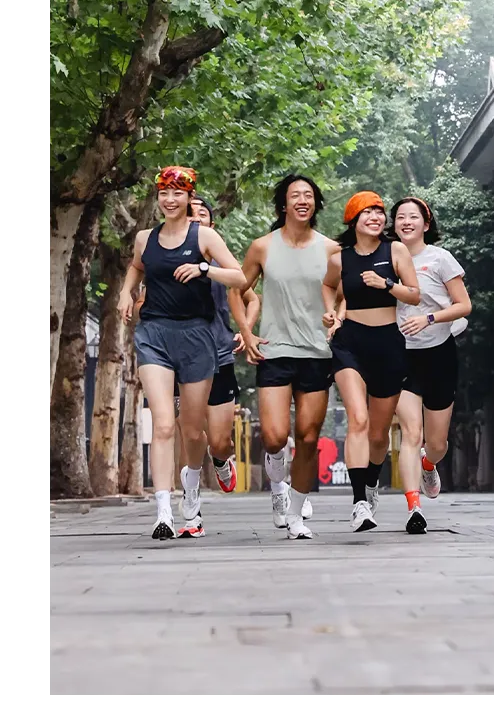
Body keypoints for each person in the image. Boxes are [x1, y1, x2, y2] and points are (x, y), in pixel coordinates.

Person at [117, 167, 246, 540]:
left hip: (197, 336)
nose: (170, 199)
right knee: (163, 424)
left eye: (177, 193)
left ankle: (191, 488)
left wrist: (205, 268)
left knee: (192, 430)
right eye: (164, 193)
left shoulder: (204, 235)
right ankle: (163, 513)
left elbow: (239, 276)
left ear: (189, 197)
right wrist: (126, 292)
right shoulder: (145, 238)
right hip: (154, 334)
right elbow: (136, 266)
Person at [240, 174, 338, 540]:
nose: (302, 200)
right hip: (275, 350)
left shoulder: (331, 249)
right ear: (284, 204)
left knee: (309, 438)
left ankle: (296, 515)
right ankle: (277, 473)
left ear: (315, 203)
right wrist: (247, 332)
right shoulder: (262, 247)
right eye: (295, 195)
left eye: (308, 195)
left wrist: (337, 316)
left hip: (317, 351)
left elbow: (343, 292)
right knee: (274, 436)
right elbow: (238, 290)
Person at [322, 191, 420, 532]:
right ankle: (359, 503)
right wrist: (331, 314)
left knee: (378, 435)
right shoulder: (339, 258)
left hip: (388, 343)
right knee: (358, 419)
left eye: (379, 212)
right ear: (353, 220)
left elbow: (414, 294)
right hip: (350, 342)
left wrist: (386, 283)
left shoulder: (395, 251)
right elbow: (327, 286)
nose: (375, 217)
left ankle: (371, 481)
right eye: (367, 212)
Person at [170, 195, 260, 536]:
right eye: (189, 213)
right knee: (189, 432)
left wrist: (245, 330)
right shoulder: (166, 257)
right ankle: (191, 512)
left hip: (219, 354)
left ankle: (222, 460)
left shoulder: (222, 265)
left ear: (211, 224)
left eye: (202, 214)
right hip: (181, 357)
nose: (195, 219)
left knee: (220, 440)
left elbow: (252, 297)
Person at [391, 197, 472, 533]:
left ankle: (428, 464)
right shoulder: (386, 259)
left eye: (413, 217)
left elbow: (464, 305)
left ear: (426, 224)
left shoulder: (440, 258)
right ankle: (414, 508)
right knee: (411, 432)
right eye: (400, 217)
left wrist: (429, 318)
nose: (406, 222)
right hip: (400, 355)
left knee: (436, 444)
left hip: (439, 353)